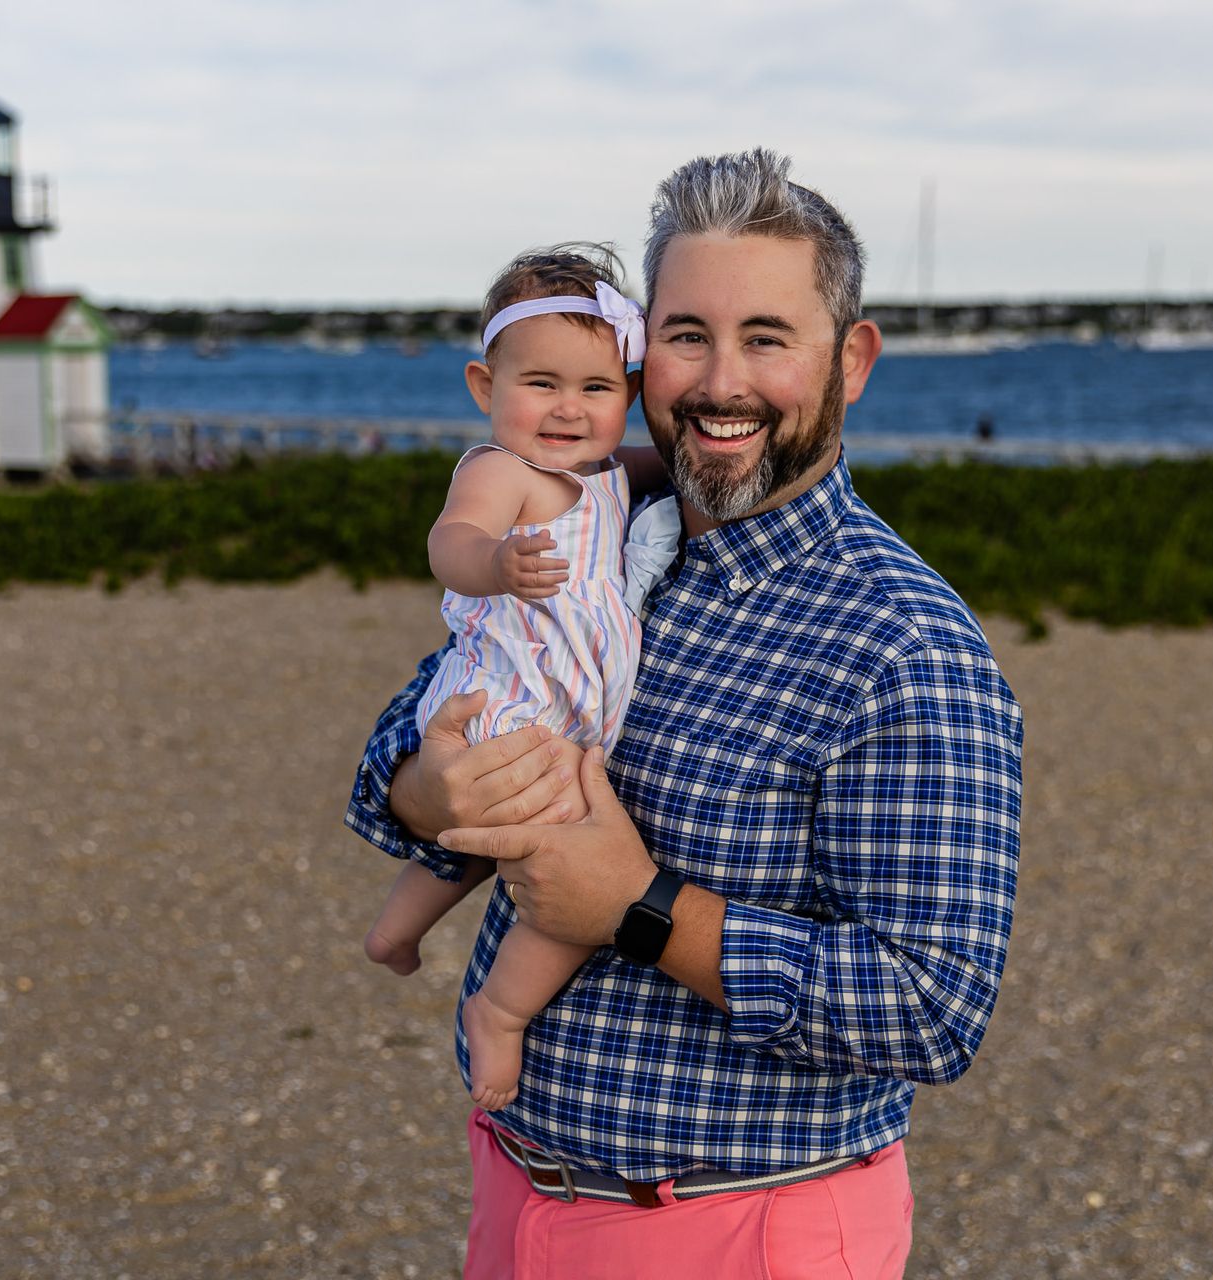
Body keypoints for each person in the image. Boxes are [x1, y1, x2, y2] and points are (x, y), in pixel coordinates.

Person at [346, 149, 1024, 1278]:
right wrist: (426, 787)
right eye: (687, 335)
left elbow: (933, 1005)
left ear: (850, 360)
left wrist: (640, 906)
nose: (720, 382)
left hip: (743, 1227)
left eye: (768, 337)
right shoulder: (615, 530)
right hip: (521, 1193)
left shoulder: (905, 645)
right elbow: (418, 736)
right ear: (636, 349)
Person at [362, 245, 665, 1112]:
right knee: (568, 857)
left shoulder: (604, 476)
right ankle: (501, 1010)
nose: (568, 410)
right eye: (540, 384)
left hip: (561, 711)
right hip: (511, 703)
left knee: (484, 838)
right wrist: (492, 562)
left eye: (597, 390)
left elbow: (661, 466)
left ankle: (396, 929)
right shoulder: (502, 474)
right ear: (483, 387)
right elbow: (447, 542)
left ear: (628, 400)